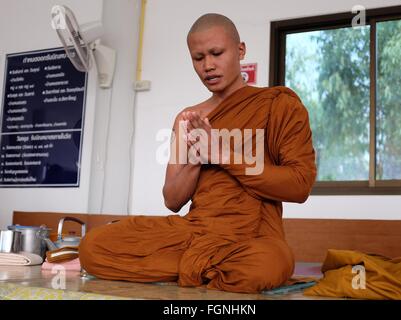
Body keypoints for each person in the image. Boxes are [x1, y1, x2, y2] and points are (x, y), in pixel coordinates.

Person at [78, 13, 317, 294]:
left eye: (217, 53)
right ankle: (207, 270)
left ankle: (184, 269)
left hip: (251, 240)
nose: (208, 66)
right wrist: (195, 158)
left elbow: (299, 185)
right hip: (193, 233)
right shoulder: (188, 118)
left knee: (268, 263)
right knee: (93, 246)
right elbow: (172, 200)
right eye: (198, 57)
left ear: (240, 51)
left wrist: (223, 154)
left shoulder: (278, 105)